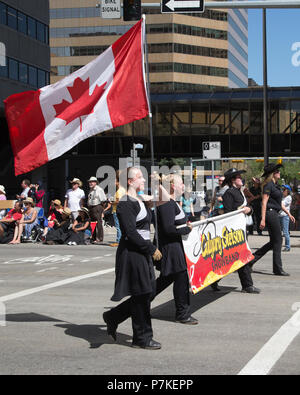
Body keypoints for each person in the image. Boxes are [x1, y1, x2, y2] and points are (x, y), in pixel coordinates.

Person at [103, 167, 163, 350]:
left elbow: (165, 199)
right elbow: (129, 233)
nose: (143, 180)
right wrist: (151, 248)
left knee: (148, 292)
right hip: (133, 253)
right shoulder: (125, 203)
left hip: (143, 251)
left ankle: (114, 316)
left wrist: (158, 183)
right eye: (140, 177)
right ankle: (142, 338)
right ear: (130, 181)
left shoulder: (140, 200)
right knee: (143, 294)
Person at [155, 173, 198, 324]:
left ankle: (126, 309)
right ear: (173, 186)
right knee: (181, 281)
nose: (183, 186)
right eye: (181, 184)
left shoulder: (171, 202)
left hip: (175, 247)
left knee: (164, 283)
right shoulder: (166, 203)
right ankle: (183, 314)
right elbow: (168, 228)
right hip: (171, 249)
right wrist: (186, 230)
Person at [249, 164, 295, 276]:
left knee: (274, 242)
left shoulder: (275, 186)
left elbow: (278, 203)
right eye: (277, 171)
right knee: (278, 240)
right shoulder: (268, 185)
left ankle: (251, 260)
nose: (279, 173)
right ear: (273, 174)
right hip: (270, 213)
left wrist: (288, 213)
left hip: (274, 212)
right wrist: (263, 219)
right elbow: (264, 202)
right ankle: (277, 268)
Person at [222, 168, 261, 293]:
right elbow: (227, 213)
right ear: (233, 180)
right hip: (234, 231)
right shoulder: (229, 193)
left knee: (233, 259)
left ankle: (215, 281)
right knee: (241, 257)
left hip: (242, 229)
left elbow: (249, 207)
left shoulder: (240, 192)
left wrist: (249, 209)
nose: (241, 179)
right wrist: (239, 211)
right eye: (238, 177)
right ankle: (247, 285)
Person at [87, 176, 106, 244]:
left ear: (95, 182)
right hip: (91, 207)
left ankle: (99, 238)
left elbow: (103, 200)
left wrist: (101, 209)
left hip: (97, 206)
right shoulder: (91, 190)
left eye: (92, 182)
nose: (90, 183)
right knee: (92, 223)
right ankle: (94, 237)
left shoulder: (99, 189)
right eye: (90, 182)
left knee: (98, 222)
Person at [110, 171, 126, 247]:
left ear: (117, 182)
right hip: (122, 210)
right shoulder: (123, 190)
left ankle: (118, 241)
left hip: (116, 210)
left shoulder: (119, 191)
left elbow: (118, 201)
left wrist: (111, 202)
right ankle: (122, 240)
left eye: (115, 181)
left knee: (118, 226)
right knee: (121, 226)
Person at [279, 184, 293, 252]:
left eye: (284, 190)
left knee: (285, 232)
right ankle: (277, 245)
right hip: (279, 215)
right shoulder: (282, 197)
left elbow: (281, 204)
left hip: (285, 216)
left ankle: (287, 246)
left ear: (287, 191)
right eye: (282, 189)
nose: (282, 191)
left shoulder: (288, 198)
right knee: (278, 232)